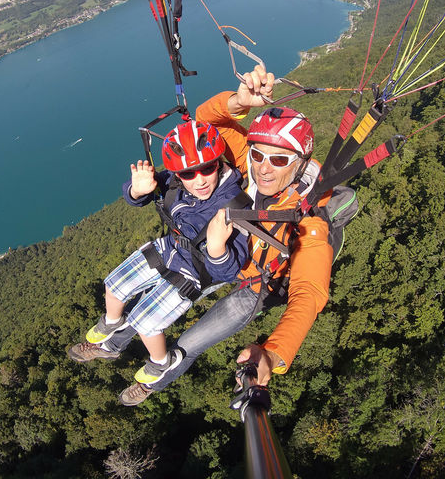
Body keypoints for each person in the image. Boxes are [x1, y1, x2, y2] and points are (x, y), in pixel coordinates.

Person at [82, 65, 334, 406]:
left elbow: (308, 294)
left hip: (253, 284)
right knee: (152, 307)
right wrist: (239, 101)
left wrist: (273, 354)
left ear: (300, 160)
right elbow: (204, 123)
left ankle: (156, 379)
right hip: (213, 256)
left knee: (193, 340)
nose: (263, 167)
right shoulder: (247, 162)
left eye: (279, 159)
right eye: (258, 155)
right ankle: (111, 343)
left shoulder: (310, 216)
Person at [67, 119, 249, 387]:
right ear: (178, 173)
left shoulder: (234, 204)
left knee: (145, 322)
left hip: (196, 269)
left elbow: (229, 271)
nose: (199, 180)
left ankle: (162, 362)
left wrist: (217, 247)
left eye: (207, 168)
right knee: (114, 285)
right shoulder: (175, 182)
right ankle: (111, 322)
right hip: (171, 247)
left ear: (220, 162)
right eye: (188, 173)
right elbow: (144, 192)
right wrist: (136, 191)